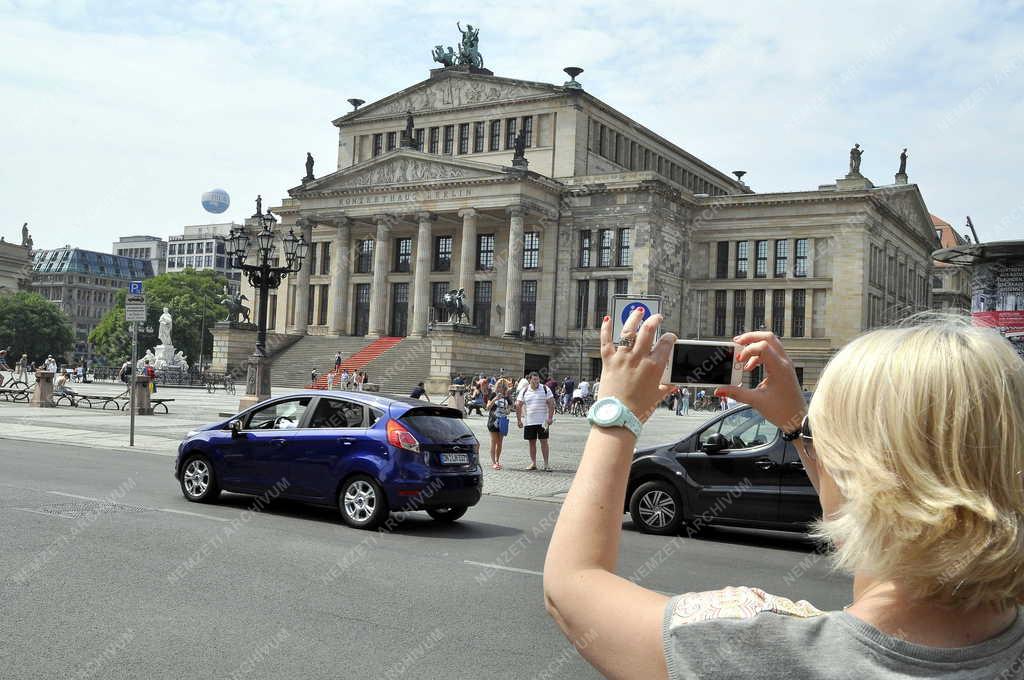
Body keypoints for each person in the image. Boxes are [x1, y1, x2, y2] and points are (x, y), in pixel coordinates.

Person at [543, 309, 1024, 679]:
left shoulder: (760, 646)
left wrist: (616, 413)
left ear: (853, 471)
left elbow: (572, 586)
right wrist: (799, 427)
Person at [516, 372, 555, 471]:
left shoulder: (545, 389)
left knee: (544, 442)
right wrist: (519, 420)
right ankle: (533, 463)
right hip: (529, 421)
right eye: (534, 380)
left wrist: (550, 417)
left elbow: (551, 403)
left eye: (537, 379)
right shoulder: (524, 390)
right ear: (530, 380)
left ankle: (546, 464)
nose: (536, 382)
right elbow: (518, 405)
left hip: (543, 421)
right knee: (531, 443)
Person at [485, 382, 511, 469]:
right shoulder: (493, 394)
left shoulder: (507, 397)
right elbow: (487, 407)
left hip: (502, 421)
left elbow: (509, 409)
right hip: (493, 421)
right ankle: (493, 462)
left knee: (500, 443)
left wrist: (507, 411)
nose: (501, 388)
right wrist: (495, 399)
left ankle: (497, 460)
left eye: (503, 387)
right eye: (499, 386)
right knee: (494, 441)